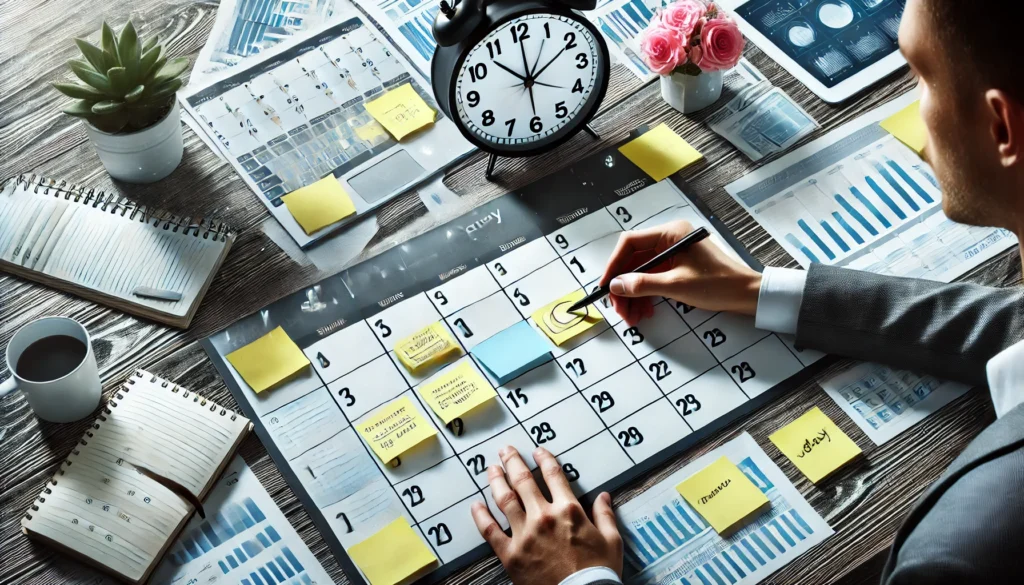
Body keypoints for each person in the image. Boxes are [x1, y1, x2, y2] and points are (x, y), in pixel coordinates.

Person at [470, 0, 1024, 583]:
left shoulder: (958, 555)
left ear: (1002, 127)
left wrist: (578, 578)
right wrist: (759, 290)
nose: (916, 103)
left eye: (921, 75)